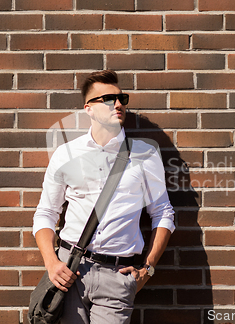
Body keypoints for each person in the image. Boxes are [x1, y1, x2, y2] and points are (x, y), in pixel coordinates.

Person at [32, 70, 175, 324]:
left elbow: (163, 213)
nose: (118, 104)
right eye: (108, 99)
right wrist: (52, 263)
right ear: (88, 108)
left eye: (121, 99)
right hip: (69, 272)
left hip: (117, 276)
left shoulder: (145, 154)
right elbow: (46, 213)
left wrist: (148, 269)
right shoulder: (66, 154)